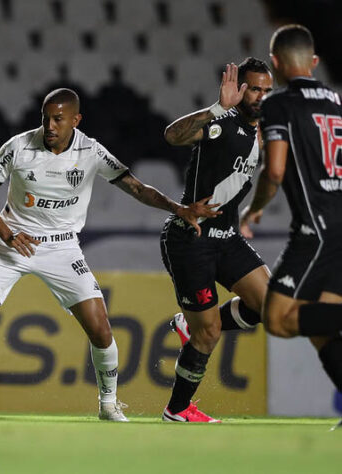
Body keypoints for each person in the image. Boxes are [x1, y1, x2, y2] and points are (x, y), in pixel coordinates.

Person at [0, 88, 220, 421]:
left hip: (62, 247)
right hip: (14, 240)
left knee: (100, 328)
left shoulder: (91, 151)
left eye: (58, 119)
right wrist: (8, 234)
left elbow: (137, 187)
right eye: (45, 118)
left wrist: (177, 208)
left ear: (76, 120)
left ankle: (109, 402)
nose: (50, 126)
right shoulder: (18, 147)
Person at [159, 59, 274, 423]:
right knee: (208, 334)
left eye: (266, 90)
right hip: (191, 239)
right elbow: (172, 136)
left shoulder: (261, 133)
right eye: (254, 89)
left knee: (270, 307)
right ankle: (176, 409)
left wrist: (255, 211)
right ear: (239, 89)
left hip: (227, 238)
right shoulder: (221, 123)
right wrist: (216, 108)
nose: (260, 97)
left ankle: (187, 326)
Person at [239, 24, 342, 430]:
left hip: (316, 231)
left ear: (277, 64)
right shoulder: (335, 101)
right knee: (320, 326)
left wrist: (254, 210)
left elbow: (275, 170)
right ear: (313, 62)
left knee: (279, 319)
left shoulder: (279, 104)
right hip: (339, 225)